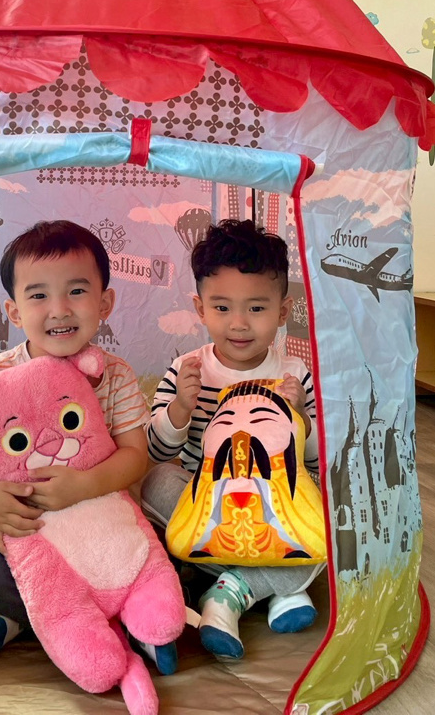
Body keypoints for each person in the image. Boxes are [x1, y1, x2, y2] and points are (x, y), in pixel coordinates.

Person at [0, 220, 172, 667]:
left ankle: (116, 614)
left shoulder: (115, 374)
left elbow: (135, 456)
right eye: (38, 296)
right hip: (28, 537)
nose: (59, 310)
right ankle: (31, 615)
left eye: (77, 291)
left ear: (104, 303)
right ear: (14, 312)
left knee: (160, 548)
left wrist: (84, 486)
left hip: (99, 529)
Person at [142, 218, 324, 660]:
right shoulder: (188, 368)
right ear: (200, 308)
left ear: (283, 311)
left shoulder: (295, 374)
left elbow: (317, 461)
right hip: (207, 504)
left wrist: (301, 417)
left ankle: (230, 590)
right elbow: (156, 451)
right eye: (222, 308)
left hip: (277, 504)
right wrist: (180, 409)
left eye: (256, 308)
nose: (239, 324)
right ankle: (279, 585)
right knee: (155, 483)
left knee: (332, 516)